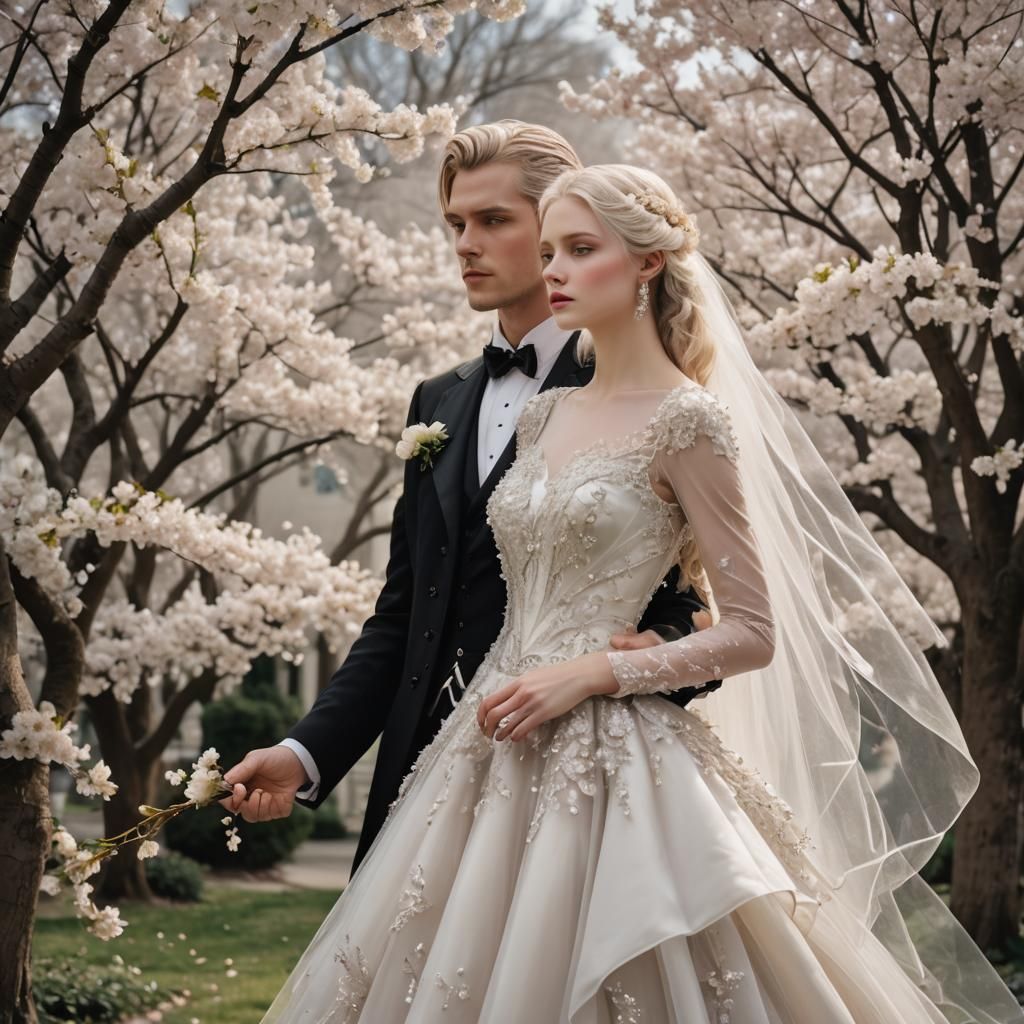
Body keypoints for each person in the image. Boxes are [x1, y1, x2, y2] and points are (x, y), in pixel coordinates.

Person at [256, 164, 1024, 1022]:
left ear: (649, 263)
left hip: (617, 756)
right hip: (480, 745)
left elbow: (752, 631)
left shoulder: (689, 420)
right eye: (549, 251)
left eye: (581, 250)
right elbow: (425, 601)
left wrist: (596, 673)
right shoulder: (543, 417)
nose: (555, 270)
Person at [220, 121, 714, 874]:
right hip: (419, 779)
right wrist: (306, 752)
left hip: (572, 780)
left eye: (493, 221)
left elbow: (689, 596)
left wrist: (649, 653)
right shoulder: (437, 399)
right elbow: (405, 611)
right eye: (456, 223)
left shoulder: (638, 392)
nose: (465, 244)